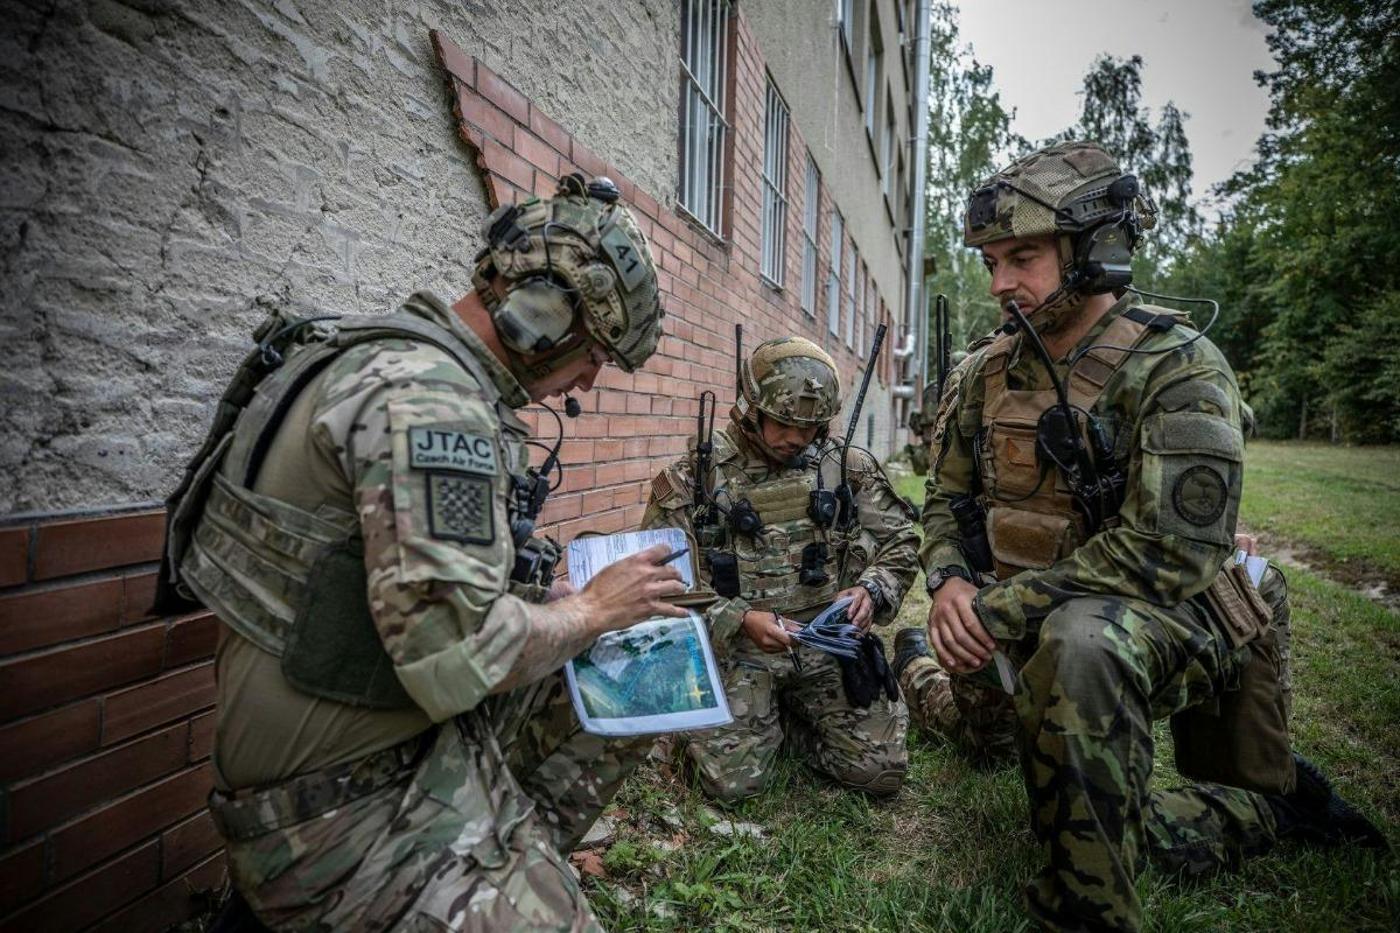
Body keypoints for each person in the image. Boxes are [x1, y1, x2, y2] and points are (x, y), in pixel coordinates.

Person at [158, 174, 688, 931]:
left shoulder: (396, 361)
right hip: (335, 808)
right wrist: (591, 607)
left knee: (633, 669)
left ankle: (506, 857)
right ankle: (478, 875)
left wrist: (572, 604)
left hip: (390, 749)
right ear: (549, 313)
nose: (591, 379)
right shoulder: (431, 400)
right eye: (596, 351)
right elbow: (460, 656)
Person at [896, 141, 1386, 932]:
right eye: (990, 261)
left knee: (1079, 645)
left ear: (1095, 248)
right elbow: (946, 495)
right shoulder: (988, 372)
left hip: (1164, 616)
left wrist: (996, 609)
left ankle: (1239, 826)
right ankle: (919, 666)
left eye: (1021, 256)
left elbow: (1168, 553)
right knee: (977, 734)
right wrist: (952, 583)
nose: (1000, 284)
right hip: (1019, 615)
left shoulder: (1179, 366)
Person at [642, 337, 918, 801]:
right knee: (730, 787)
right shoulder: (697, 478)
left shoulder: (845, 466)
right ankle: (761, 720)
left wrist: (872, 589)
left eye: (811, 427)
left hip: (827, 642)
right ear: (752, 409)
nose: (797, 438)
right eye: (785, 423)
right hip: (741, 649)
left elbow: (903, 538)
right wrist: (740, 619)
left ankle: (789, 722)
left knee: (879, 774)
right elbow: (659, 582)